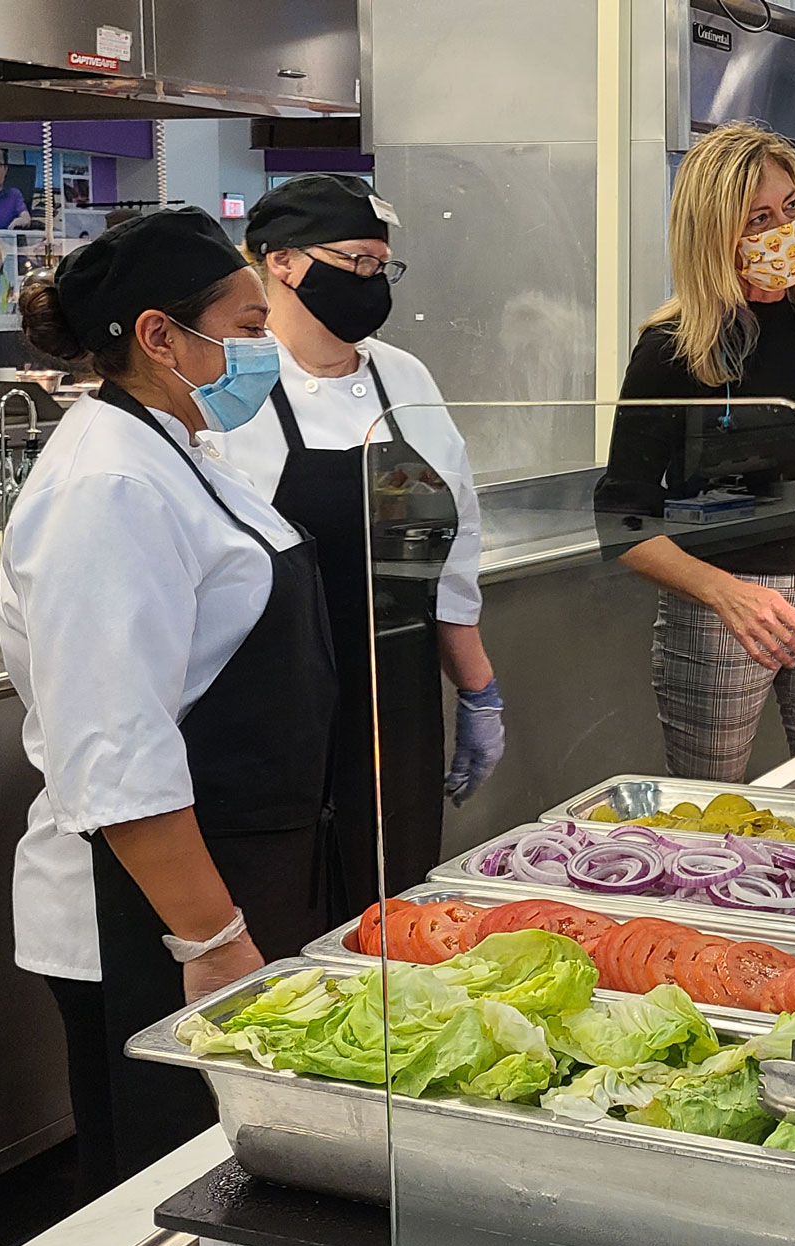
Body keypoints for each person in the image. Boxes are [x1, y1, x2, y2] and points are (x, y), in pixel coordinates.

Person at [2, 208, 337, 1193]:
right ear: (158, 336)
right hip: (153, 913)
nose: (262, 349)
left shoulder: (174, 446)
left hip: (231, 873)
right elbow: (118, 752)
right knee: (173, 1188)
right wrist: (215, 943)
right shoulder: (105, 484)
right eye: (243, 327)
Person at [219, 173, 502, 905]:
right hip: (281, 711)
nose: (373, 284)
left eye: (382, 267)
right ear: (279, 261)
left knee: (393, 907)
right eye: (356, 263)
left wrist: (476, 689)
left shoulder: (403, 375)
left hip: (399, 697)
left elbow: (456, 540)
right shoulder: (230, 385)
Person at [596, 123, 795, 779]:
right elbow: (621, 518)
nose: (783, 230)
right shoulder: (673, 350)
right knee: (712, 806)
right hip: (721, 608)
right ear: (715, 235)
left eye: (791, 207)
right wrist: (724, 594)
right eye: (758, 218)